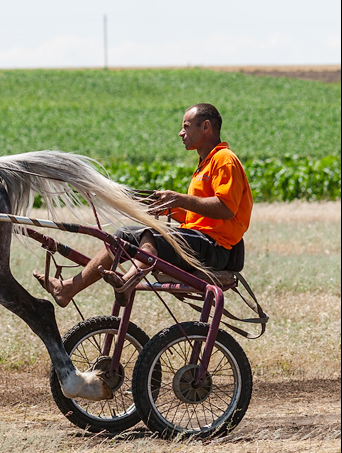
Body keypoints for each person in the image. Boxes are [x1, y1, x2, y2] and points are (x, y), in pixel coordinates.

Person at [34, 103, 253, 307]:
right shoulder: (203, 165)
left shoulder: (224, 159)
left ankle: (128, 281)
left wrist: (179, 198)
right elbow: (196, 216)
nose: (180, 133)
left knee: (149, 234)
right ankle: (69, 288)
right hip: (198, 240)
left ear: (206, 127)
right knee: (120, 236)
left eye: (186, 126)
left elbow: (226, 209)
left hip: (216, 247)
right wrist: (165, 207)